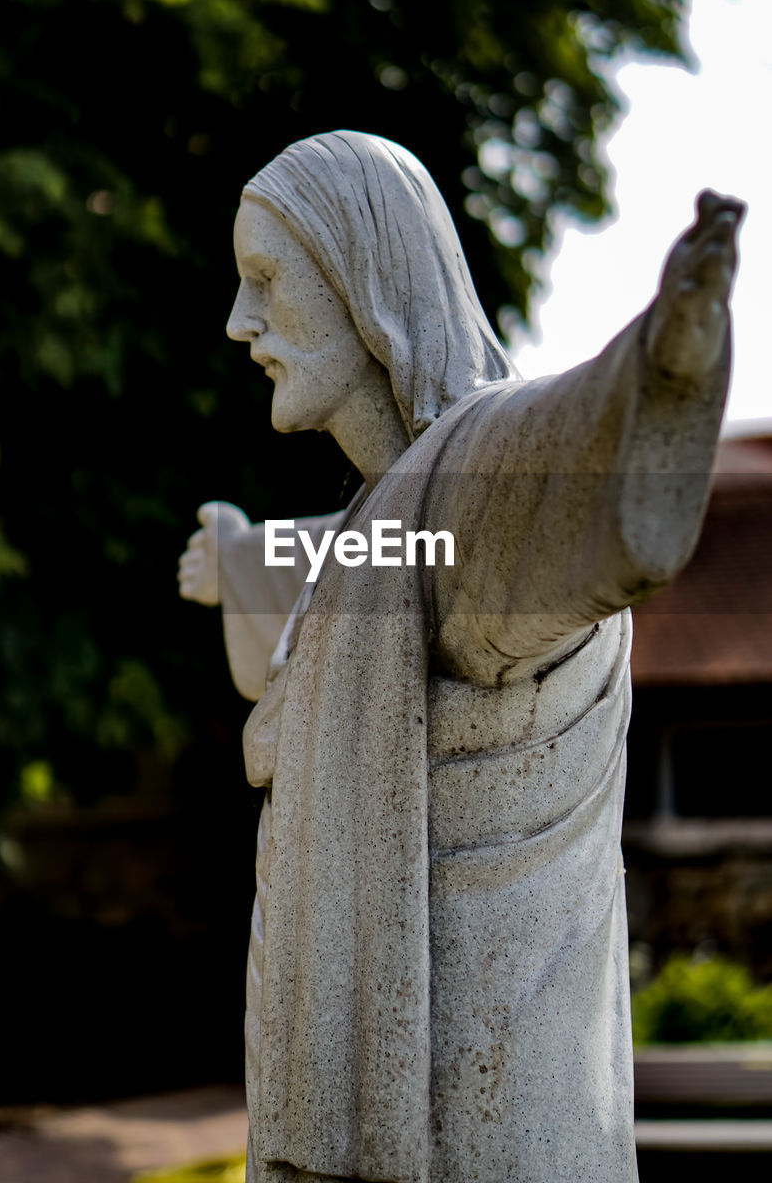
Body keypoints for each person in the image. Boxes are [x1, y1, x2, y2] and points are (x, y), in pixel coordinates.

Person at [179, 131, 742, 1183]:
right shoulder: (391, 529)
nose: (239, 321)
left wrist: (660, 369)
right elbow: (353, 557)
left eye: (265, 280)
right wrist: (242, 557)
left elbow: (551, 466)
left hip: (478, 1141)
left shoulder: (471, 481)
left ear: (366, 279)